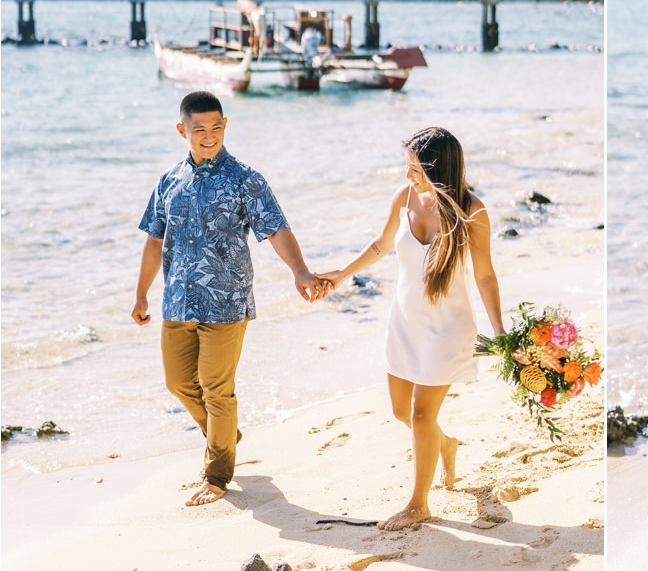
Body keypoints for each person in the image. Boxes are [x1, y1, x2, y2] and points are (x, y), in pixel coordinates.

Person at [133, 90, 328, 506]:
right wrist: (141, 295)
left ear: (225, 126)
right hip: (177, 301)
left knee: (217, 389)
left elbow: (276, 228)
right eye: (199, 129)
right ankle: (226, 434)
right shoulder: (169, 181)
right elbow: (154, 241)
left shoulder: (245, 178)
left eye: (216, 127)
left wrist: (300, 271)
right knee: (179, 382)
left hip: (225, 300)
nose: (209, 136)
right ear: (182, 130)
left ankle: (217, 474)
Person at [319, 127, 504, 530]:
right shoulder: (403, 200)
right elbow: (381, 245)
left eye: (415, 169)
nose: (408, 177)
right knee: (402, 410)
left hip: (448, 330)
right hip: (404, 323)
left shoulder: (472, 210)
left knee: (421, 415)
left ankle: (419, 504)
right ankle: (446, 445)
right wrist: (341, 275)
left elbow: (485, 276)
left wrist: (501, 332)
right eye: (407, 167)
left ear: (439, 171)